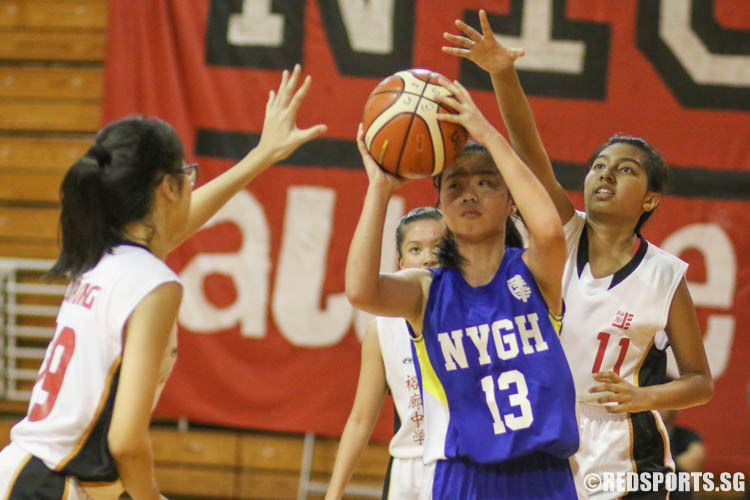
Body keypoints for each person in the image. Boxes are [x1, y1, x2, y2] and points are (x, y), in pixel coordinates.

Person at [0, 65, 326, 500]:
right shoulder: (154, 283)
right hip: (50, 486)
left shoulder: (104, 257)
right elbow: (126, 440)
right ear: (168, 188)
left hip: (31, 472)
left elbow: (173, 228)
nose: (193, 185)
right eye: (188, 174)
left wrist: (261, 155)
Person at [442, 10, 714, 499]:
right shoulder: (558, 236)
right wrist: (502, 72)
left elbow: (700, 382)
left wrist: (643, 396)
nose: (605, 174)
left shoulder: (664, 275)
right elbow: (529, 150)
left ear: (650, 199)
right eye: (598, 166)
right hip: (548, 433)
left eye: (625, 170)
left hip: (628, 450)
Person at [345, 76, 579, 499]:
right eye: (455, 184)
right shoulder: (426, 289)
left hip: (543, 474)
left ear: (512, 202)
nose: (469, 193)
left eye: (486, 182)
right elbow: (361, 291)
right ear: (440, 205)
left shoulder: (534, 271)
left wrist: (483, 128)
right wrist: (379, 189)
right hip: (460, 475)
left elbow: (546, 229)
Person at [326, 207, 443, 500]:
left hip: (459, 463)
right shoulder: (382, 331)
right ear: (401, 262)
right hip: (408, 469)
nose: (428, 257)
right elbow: (360, 420)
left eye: (438, 247)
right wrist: (333, 493)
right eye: (416, 249)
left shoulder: (476, 315)